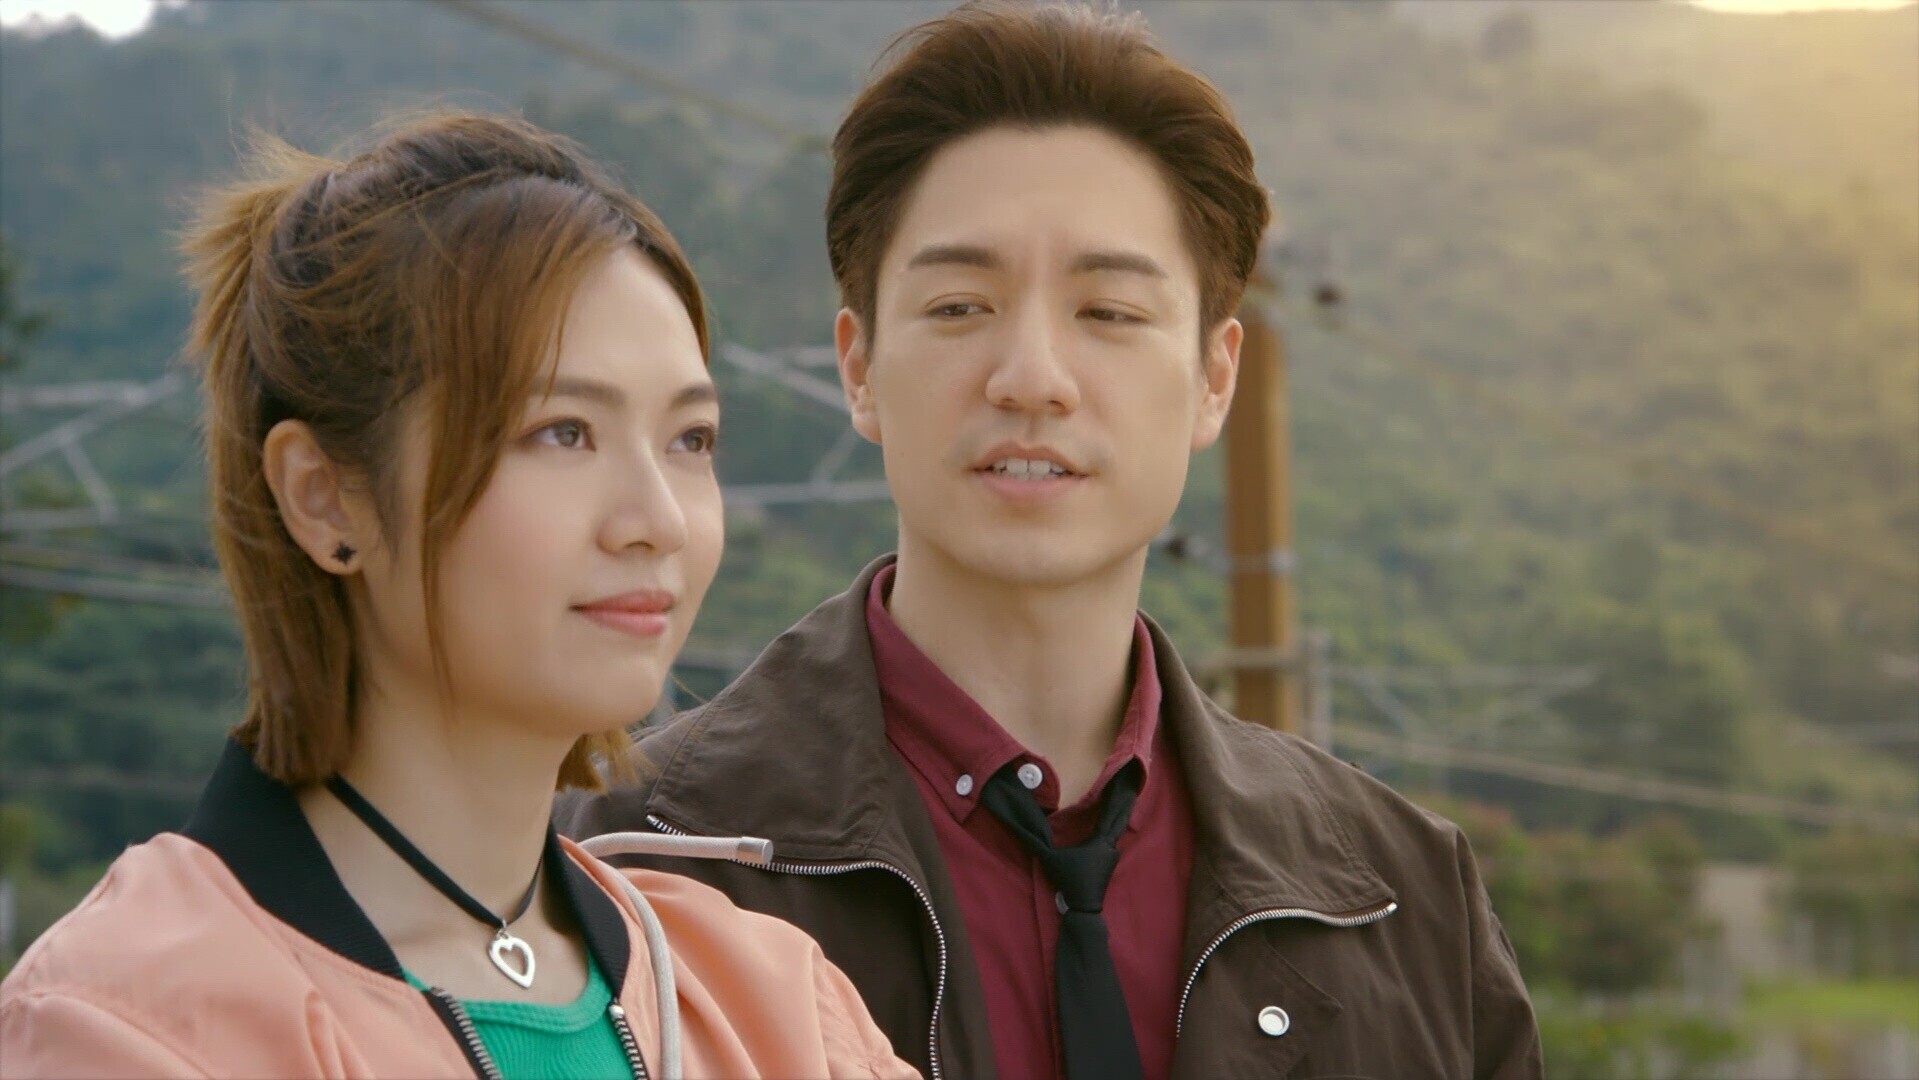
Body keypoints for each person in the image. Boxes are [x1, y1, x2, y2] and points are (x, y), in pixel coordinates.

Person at [557, 3, 1543, 1079]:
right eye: (958, 306)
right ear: (858, 366)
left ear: (1214, 378)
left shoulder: (1405, 901)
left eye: (1108, 313)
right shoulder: (623, 865)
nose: (1030, 378)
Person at [0, 112, 914, 1080]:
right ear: (324, 495)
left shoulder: (772, 1000)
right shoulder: (131, 1025)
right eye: (563, 432)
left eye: (689, 440)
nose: (657, 520)